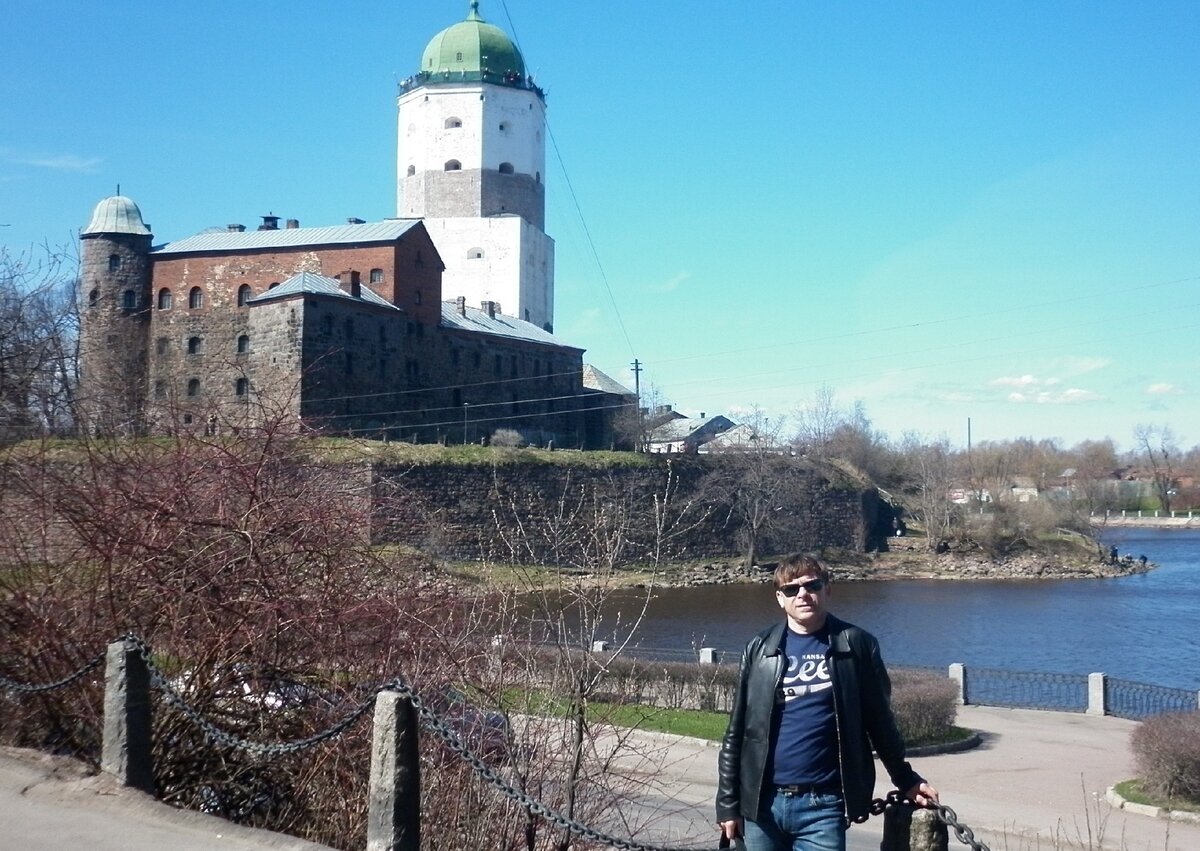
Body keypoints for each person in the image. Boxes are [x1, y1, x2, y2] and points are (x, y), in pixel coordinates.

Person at [716, 552, 938, 850]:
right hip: (761, 803)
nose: (803, 595)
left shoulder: (857, 644)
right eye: (792, 589)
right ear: (780, 598)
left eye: (812, 586)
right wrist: (728, 804)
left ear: (827, 589)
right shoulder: (759, 650)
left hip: (823, 806)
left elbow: (880, 721)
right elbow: (737, 732)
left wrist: (906, 779)